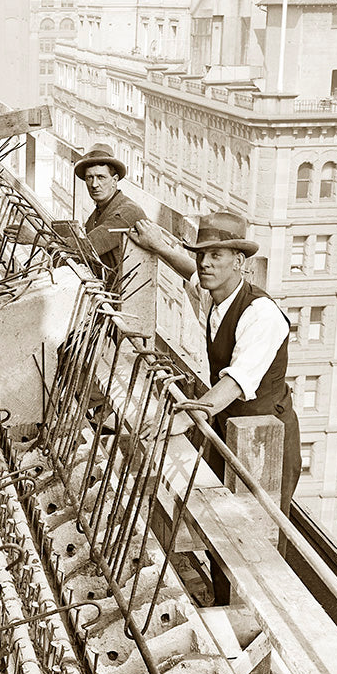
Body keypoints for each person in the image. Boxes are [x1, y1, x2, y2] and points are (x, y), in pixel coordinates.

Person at [130, 210, 302, 515]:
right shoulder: (216, 294)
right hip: (226, 426)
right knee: (221, 512)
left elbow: (235, 382)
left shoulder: (262, 314)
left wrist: (186, 417)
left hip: (266, 443)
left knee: (259, 525)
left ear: (238, 261)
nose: (205, 263)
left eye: (216, 255)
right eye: (201, 254)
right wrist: (159, 246)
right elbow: (191, 272)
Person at [73, 143, 146, 275]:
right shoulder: (97, 213)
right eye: (89, 178)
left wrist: (42, 240)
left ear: (114, 180)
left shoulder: (128, 212)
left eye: (101, 177)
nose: (94, 184)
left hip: (125, 287)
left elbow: (88, 247)